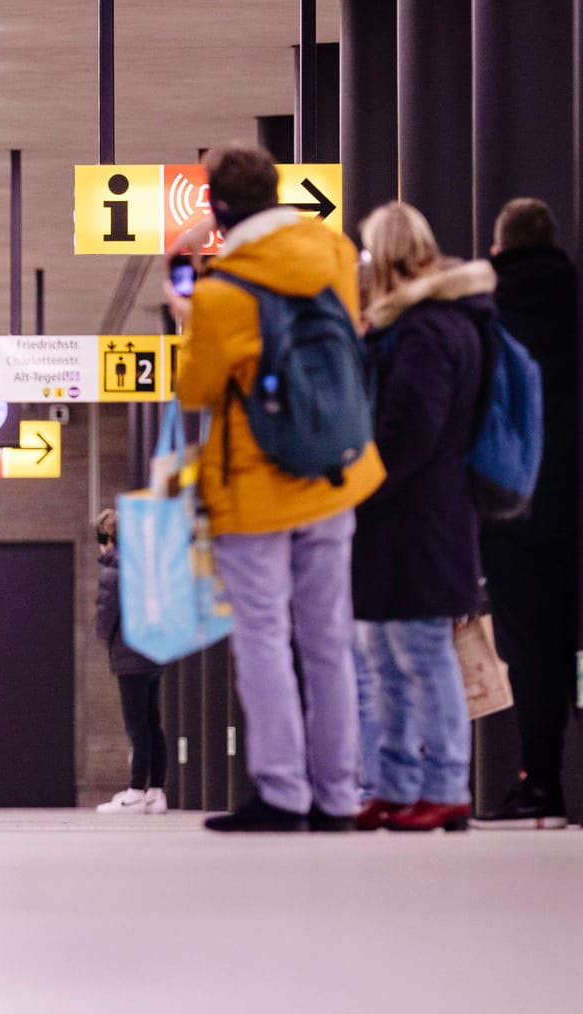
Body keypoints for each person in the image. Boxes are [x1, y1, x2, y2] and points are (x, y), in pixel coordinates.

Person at [174, 145, 385, 833]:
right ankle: (336, 795)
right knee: (329, 638)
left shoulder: (221, 292)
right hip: (333, 471)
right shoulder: (332, 252)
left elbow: (198, 391)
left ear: (218, 208)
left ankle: (282, 792)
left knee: (264, 636)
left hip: (256, 488)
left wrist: (187, 315)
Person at [349, 202, 489, 832]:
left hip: (418, 515)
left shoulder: (428, 329)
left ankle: (446, 785)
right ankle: (398, 781)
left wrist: (356, 482)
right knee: (385, 653)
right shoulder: (429, 324)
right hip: (403, 515)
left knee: (423, 653)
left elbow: (411, 429)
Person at [476, 198, 580, 829]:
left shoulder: (491, 317)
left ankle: (540, 781)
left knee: (533, 650)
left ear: (498, 249)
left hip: (516, 507)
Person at [93, 508, 169, 815]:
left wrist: (104, 638)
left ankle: (135, 792)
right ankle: (156, 792)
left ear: (108, 537)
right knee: (153, 723)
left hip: (129, 655)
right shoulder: (149, 566)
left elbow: (105, 615)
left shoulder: (115, 569)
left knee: (136, 725)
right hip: (154, 653)